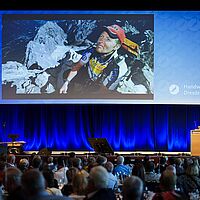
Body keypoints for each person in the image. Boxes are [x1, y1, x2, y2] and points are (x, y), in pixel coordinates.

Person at [60, 24, 127, 95]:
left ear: (116, 46)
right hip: (88, 76)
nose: (101, 41)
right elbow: (77, 66)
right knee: (66, 74)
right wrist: (66, 83)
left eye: (108, 39)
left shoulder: (117, 67)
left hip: (99, 86)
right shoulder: (90, 52)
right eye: (101, 36)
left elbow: (105, 90)